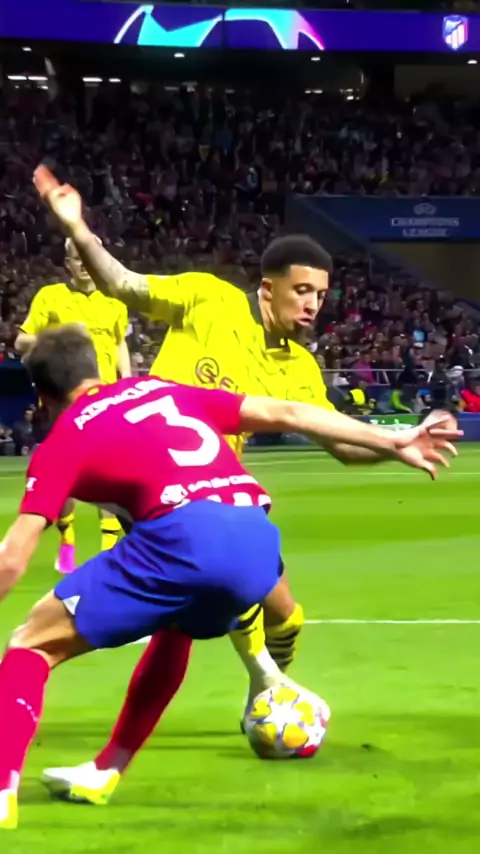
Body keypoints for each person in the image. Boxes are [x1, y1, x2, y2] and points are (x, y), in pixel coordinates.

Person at [32, 164, 454, 804]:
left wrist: (398, 447)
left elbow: (340, 445)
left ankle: (264, 690)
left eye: (321, 295)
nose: (313, 304)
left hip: (222, 502)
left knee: (287, 614)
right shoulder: (210, 300)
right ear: (267, 288)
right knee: (189, 612)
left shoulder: (299, 366)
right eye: (302, 290)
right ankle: (151, 736)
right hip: (157, 494)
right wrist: (77, 227)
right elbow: (124, 284)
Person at [0, 325, 461, 829]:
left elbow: (14, 556)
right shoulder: (161, 390)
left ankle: (2, 792)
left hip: (185, 537)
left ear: (43, 397)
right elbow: (288, 413)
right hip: (258, 542)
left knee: (31, 645)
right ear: (99, 369)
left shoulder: (66, 436)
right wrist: (392, 439)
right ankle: (106, 771)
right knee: (176, 624)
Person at [15, 237, 131, 573]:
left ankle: (109, 549)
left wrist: (127, 381)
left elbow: (119, 343)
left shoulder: (114, 300)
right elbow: (21, 341)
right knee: (61, 473)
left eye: (86, 257)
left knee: (111, 472)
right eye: (76, 258)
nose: (83, 264)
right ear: (67, 263)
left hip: (105, 400)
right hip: (62, 400)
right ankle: (67, 539)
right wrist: (60, 338)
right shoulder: (50, 297)